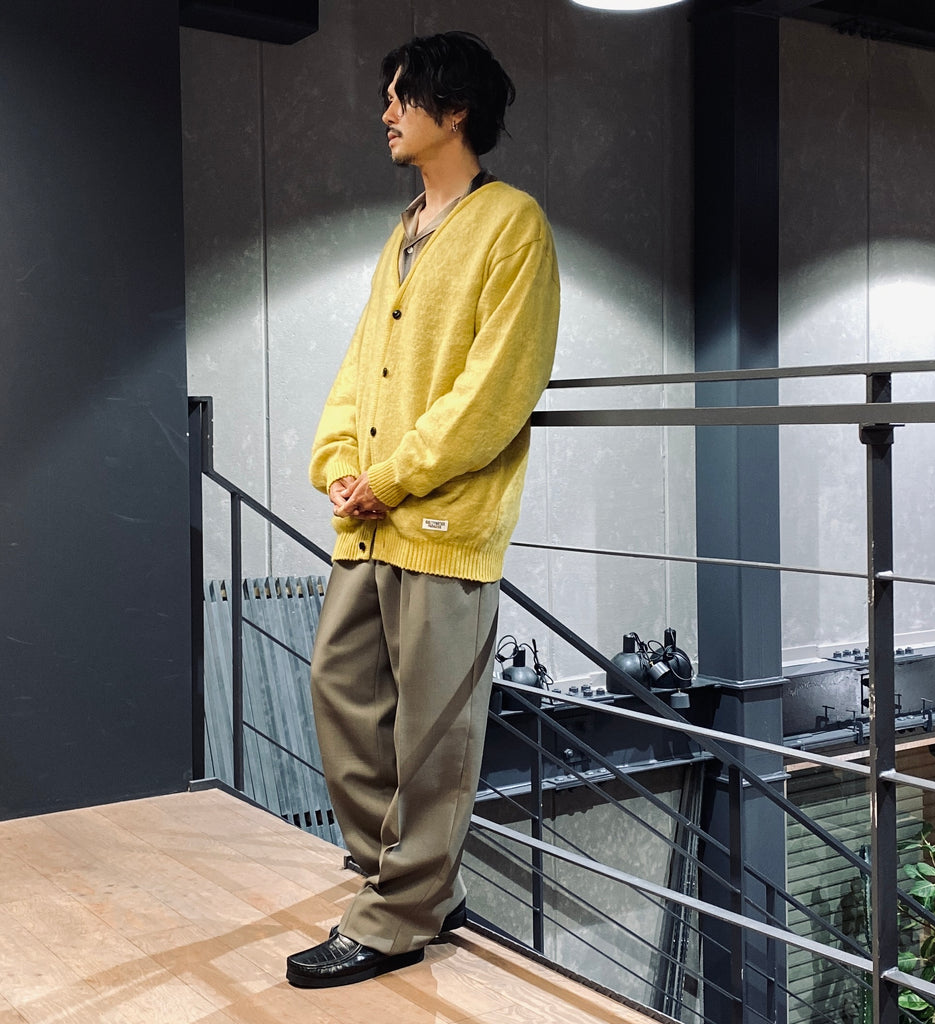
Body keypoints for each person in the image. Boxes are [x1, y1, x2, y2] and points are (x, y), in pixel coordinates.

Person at [285, 31, 560, 988]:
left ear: (456, 110)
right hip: (368, 521)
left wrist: (395, 475)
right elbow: (361, 367)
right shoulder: (402, 231)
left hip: (442, 524)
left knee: (434, 735)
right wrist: (337, 462)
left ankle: (400, 913)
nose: (387, 113)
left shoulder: (512, 225)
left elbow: (497, 389)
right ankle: (408, 883)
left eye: (402, 97)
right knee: (340, 691)